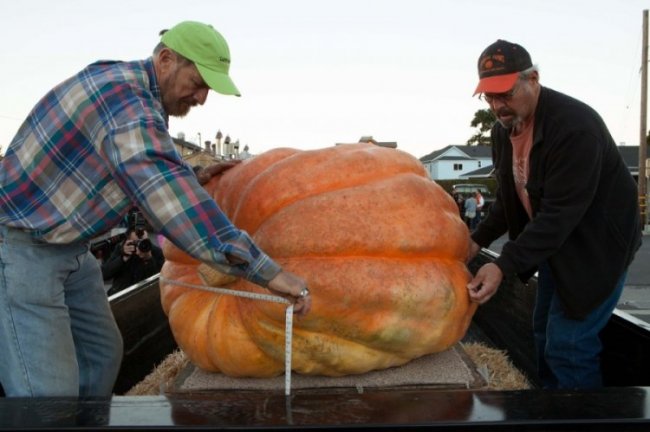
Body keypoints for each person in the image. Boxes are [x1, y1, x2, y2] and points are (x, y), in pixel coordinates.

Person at [0, 21, 311, 398]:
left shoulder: (134, 92)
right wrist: (269, 273)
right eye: (197, 83)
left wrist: (191, 175)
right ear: (166, 59)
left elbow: (134, 172)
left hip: (68, 246)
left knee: (102, 354)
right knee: (46, 395)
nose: (201, 99)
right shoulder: (128, 106)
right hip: (21, 247)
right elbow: (171, 203)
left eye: (208, 89)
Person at [466, 40, 642, 389]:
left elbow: (560, 214)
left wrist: (502, 264)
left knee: (569, 345)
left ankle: (578, 419)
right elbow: (509, 201)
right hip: (555, 245)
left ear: (533, 79)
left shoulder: (575, 128)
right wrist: (475, 241)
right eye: (489, 97)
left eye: (505, 94)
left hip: (596, 249)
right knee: (544, 334)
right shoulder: (505, 129)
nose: (497, 106)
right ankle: (550, 409)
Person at [101, 227, 165, 295]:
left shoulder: (155, 251)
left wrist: (148, 259)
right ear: (127, 240)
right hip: (120, 293)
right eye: (136, 242)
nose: (140, 245)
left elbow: (160, 281)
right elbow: (104, 274)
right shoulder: (121, 249)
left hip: (143, 296)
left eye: (143, 241)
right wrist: (123, 258)